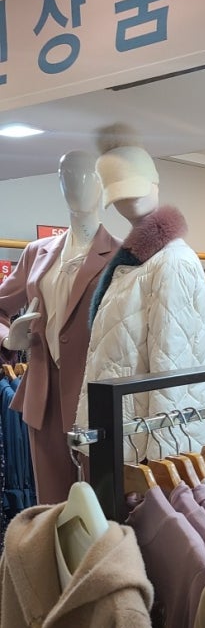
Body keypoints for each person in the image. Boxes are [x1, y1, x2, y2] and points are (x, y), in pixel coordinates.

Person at [75, 126, 205, 462]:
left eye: (136, 187)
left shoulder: (173, 262)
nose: (129, 200)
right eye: (118, 194)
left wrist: (166, 463)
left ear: (155, 184)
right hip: (122, 432)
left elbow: (176, 371)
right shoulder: (133, 263)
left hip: (142, 446)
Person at [0, 151, 121, 503]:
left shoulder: (122, 257)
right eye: (66, 174)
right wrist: (10, 337)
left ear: (102, 184)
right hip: (44, 396)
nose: (75, 183)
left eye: (86, 175)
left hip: (96, 397)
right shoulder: (36, 253)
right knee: (52, 505)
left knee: (99, 505)